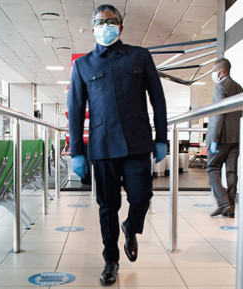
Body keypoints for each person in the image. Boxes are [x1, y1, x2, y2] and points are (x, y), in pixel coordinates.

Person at [67, 4, 167, 286]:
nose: (105, 25)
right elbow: (75, 109)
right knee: (107, 206)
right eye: (99, 22)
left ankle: (131, 227)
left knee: (142, 196)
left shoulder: (140, 56)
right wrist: (77, 151)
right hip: (102, 146)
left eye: (111, 21)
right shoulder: (83, 65)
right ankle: (111, 260)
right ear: (93, 28)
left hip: (137, 143)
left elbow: (157, 99)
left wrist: (161, 138)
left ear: (120, 27)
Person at [206, 58, 242, 218]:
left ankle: (223, 202)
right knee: (231, 171)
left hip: (220, 138)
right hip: (235, 137)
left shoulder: (220, 86)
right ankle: (230, 208)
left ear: (222, 71)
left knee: (212, 168)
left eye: (214, 70)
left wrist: (213, 138)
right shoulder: (239, 87)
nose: (214, 74)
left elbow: (218, 115)